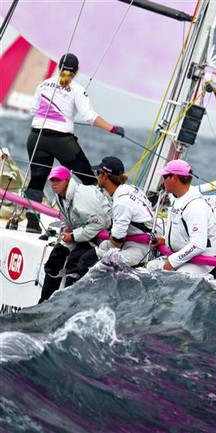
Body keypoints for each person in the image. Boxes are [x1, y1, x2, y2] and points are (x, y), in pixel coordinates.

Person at [24, 53, 124, 234]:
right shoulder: (77, 89)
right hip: (61, 141)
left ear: (59, 67)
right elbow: (90, 117)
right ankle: (103, 221)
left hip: (36, 137)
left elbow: (33, 110)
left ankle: (31, 223)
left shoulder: (43, 84)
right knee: (88, 179)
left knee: (37, 180)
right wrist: (113, 129)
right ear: (77, 71)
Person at [39, 166, 111, 303]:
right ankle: (44, 301)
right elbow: (65, 219)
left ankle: (68, 305)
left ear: (67, 180)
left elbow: (99, 224)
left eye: (58, 180)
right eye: (52, 180)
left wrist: (72, 236)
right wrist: (66, 230)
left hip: (98, 237)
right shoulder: (60, 196)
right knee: (55, 259)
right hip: (80, 233)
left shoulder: (82, 197)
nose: (54, 184)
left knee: (76, 262)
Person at [147, 160, 216, 274]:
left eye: (165, 176)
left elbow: (198, 245)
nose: (162, 181)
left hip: (200, 261)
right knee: (150, 267)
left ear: (174, 178)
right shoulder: (176, 197)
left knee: (174, 278)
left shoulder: (195, 206)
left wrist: (172, 262)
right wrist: (165, 240)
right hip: (182, 256)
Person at [93, 156, 154, 267]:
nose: (96, 176)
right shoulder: (131, 188)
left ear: (105, 176)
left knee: (97, 262)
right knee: (94, 252)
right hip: (137, 242)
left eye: (98, 172)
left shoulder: (121, 201)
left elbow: (117, 241)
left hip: (140, 248)